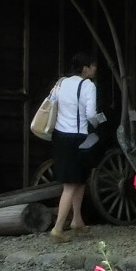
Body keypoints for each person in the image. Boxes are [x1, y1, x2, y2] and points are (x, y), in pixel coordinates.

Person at [46, 52, 103, 239]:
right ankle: (57, 229)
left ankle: (77, 220)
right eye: (92, 65)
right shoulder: (88, 85)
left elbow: (52, 104)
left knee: (79, 180)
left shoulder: (61, 83)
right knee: (71, 184)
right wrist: (97, 123)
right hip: (78, 137)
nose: (94, 68)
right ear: (85, 68)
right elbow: (90, 114)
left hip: (60, 136)